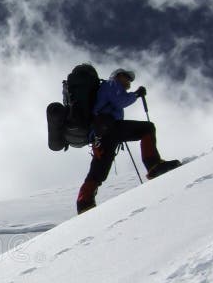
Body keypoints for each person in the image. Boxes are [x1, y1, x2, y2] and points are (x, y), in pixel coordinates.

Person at [76, 68, 181, 214]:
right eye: (128, 78)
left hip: (99, 134)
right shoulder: (112, 84)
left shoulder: (105, 88)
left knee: (99, 170)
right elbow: (120, 101)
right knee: (147, 128)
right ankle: (154, 165)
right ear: (119, 76)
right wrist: (137, 94)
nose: (129, 82)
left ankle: (84, 202)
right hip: (109, 128)